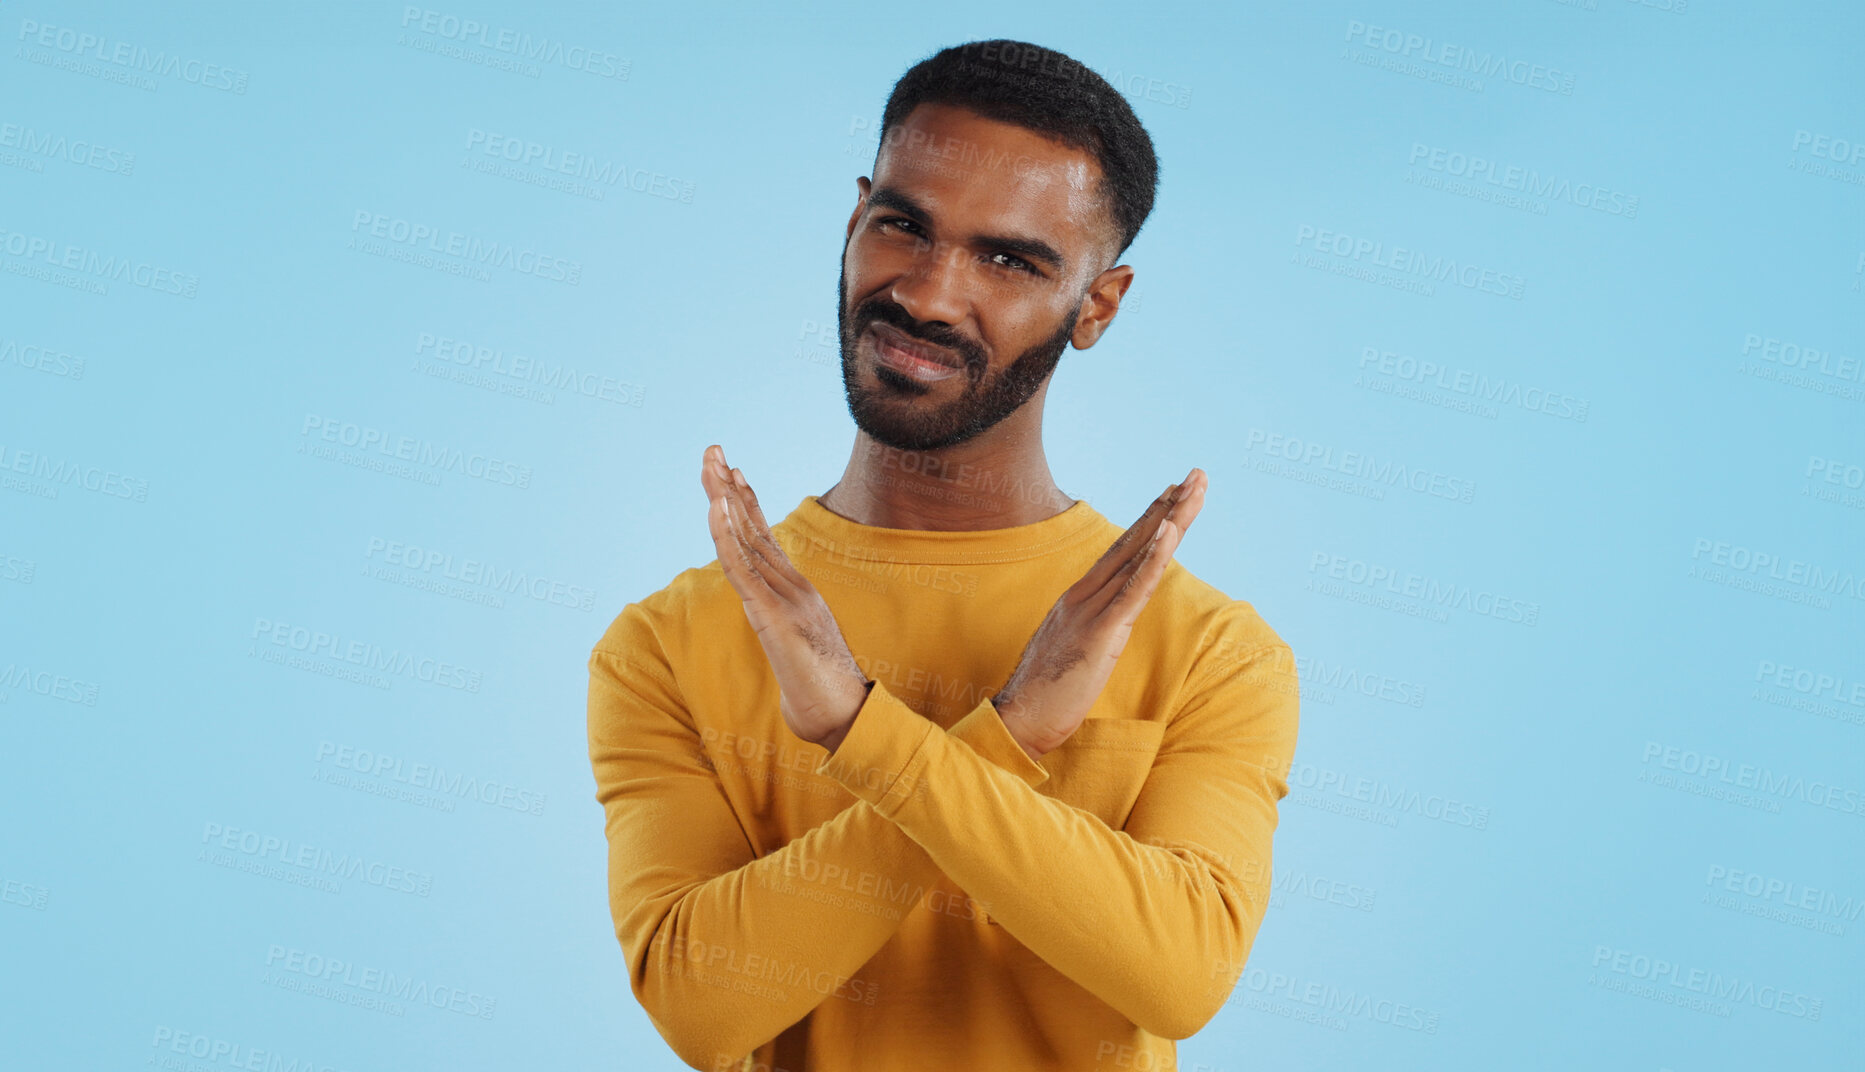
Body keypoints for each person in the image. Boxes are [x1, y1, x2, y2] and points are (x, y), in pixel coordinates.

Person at [587, 38, 1300, 1072]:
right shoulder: (662, 643)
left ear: (1096, 306)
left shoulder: (1211, 650)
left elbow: (1177, 977)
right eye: (903, 227)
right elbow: (701, 1009)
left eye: (1008, 259)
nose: (925, 294)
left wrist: (856, 731)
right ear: (853, 221)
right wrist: (1009, 736)